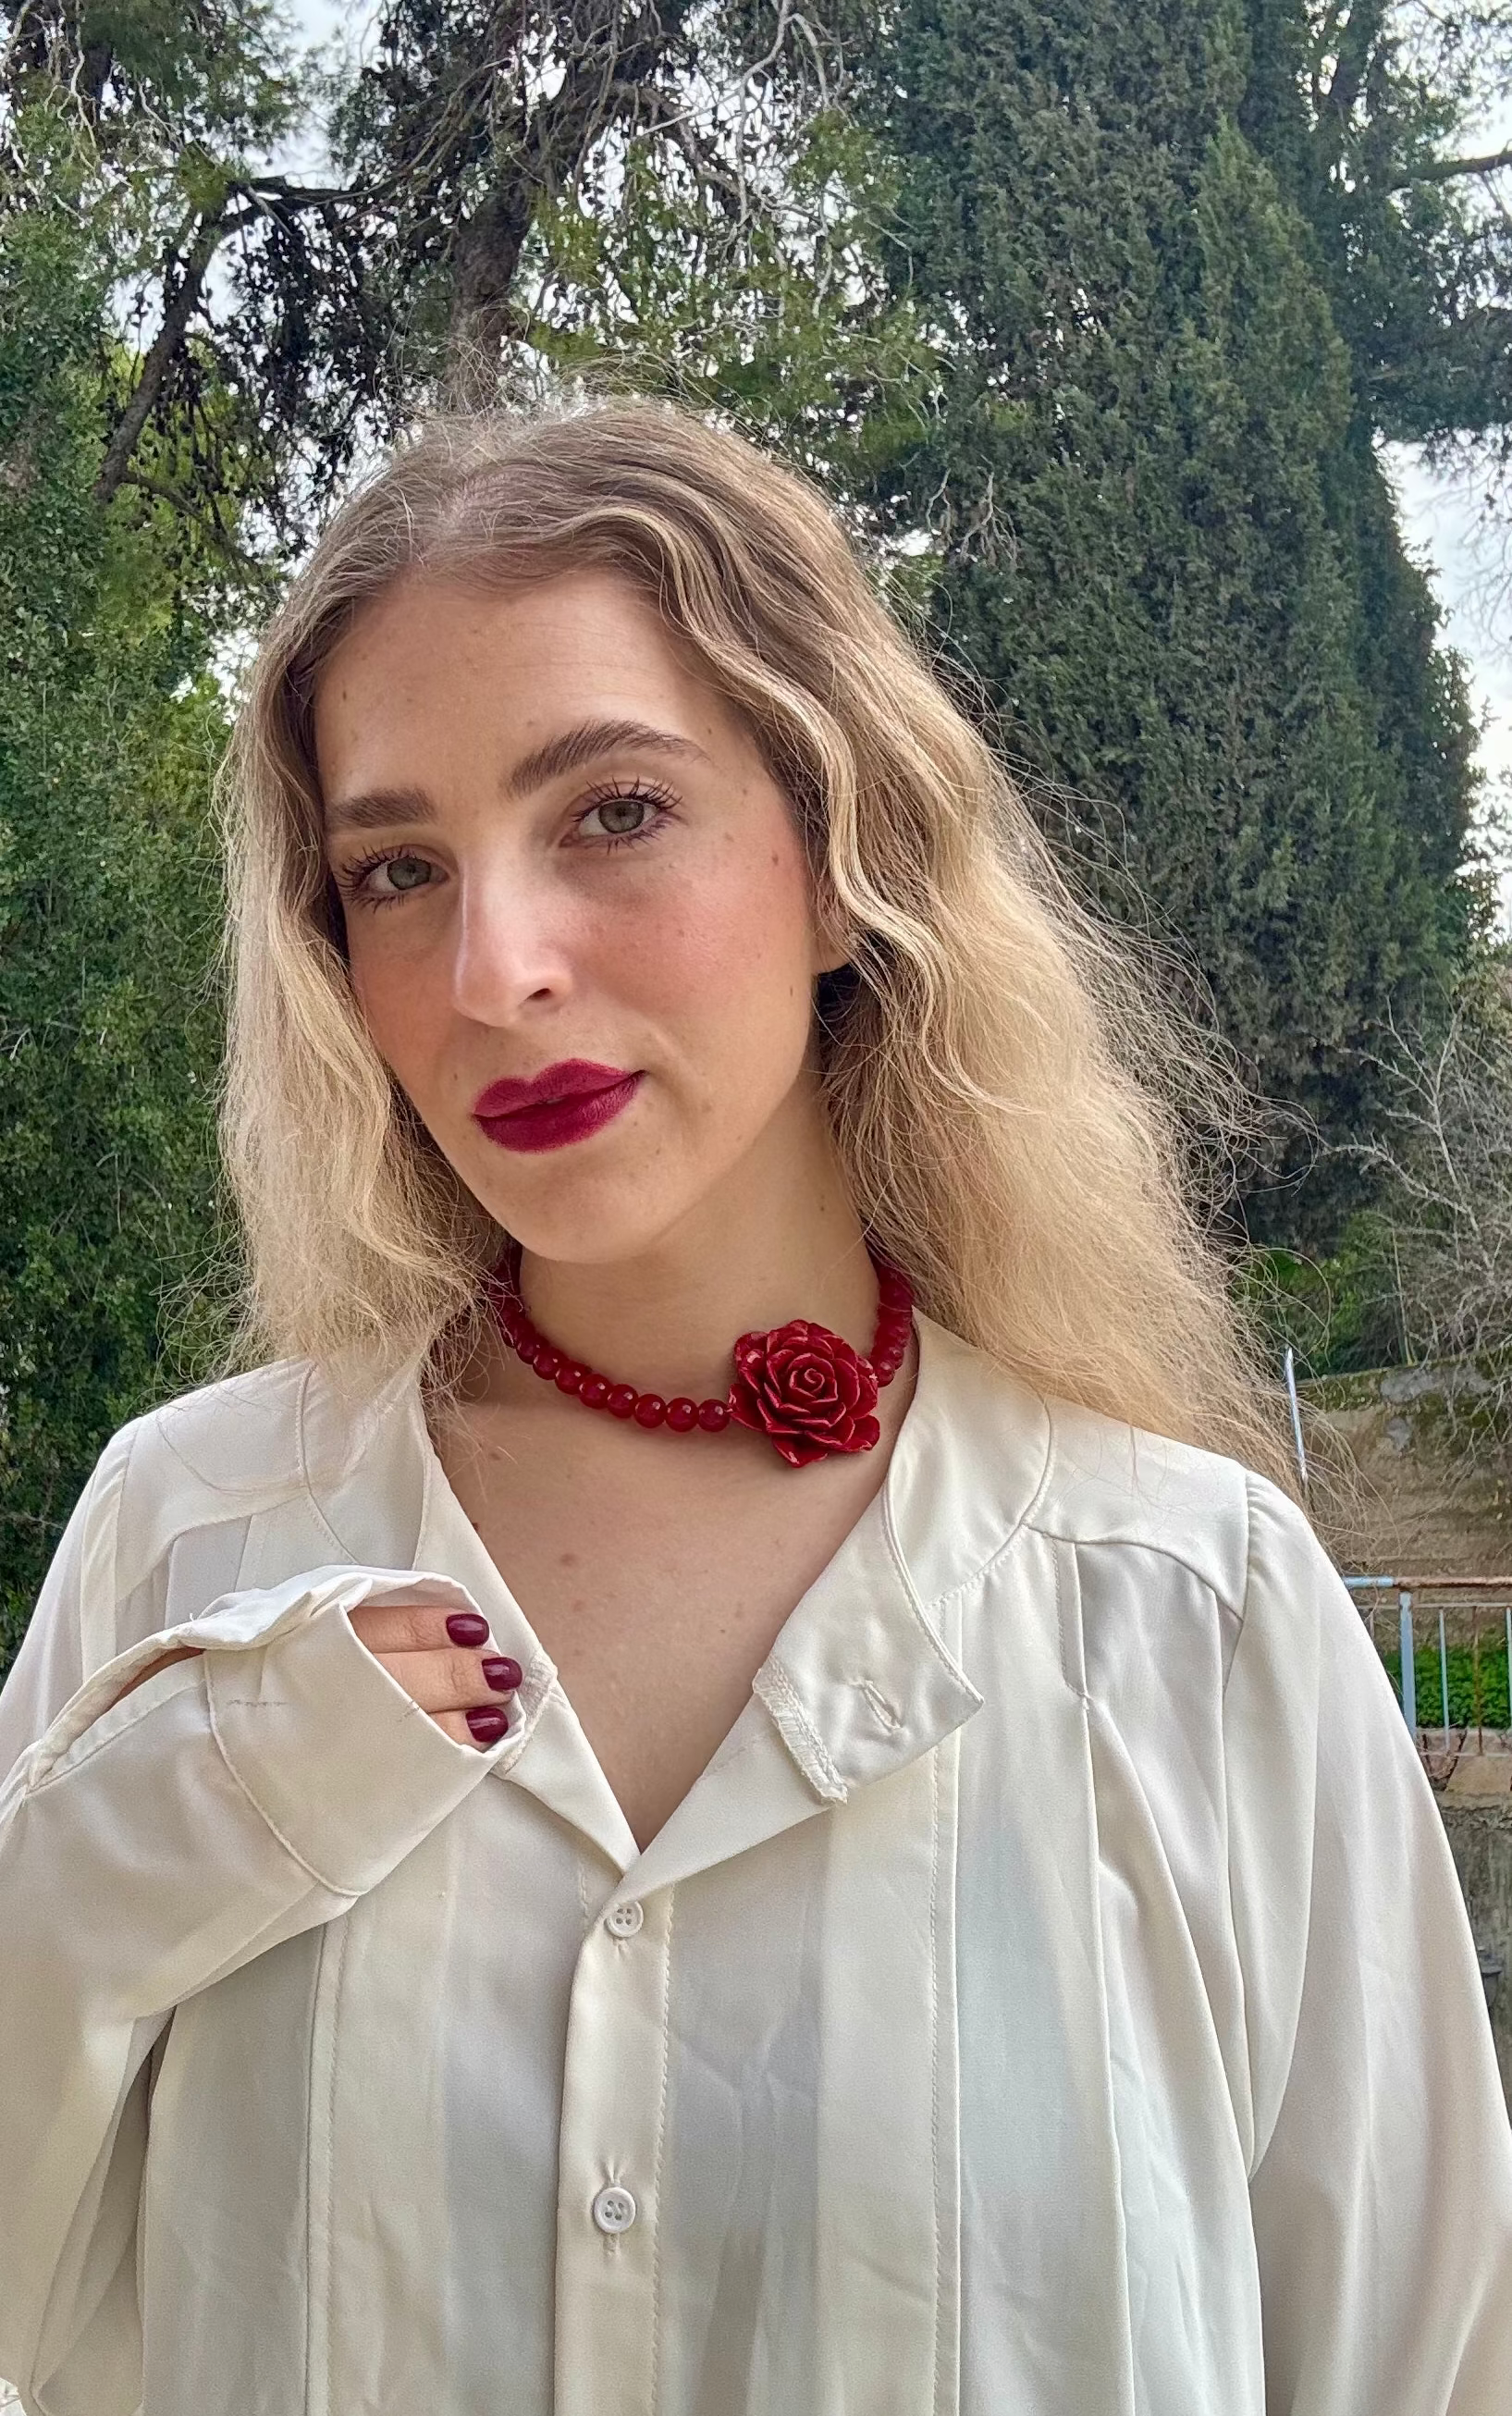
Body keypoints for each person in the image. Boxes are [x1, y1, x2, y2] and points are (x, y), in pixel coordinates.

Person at [0, 400, 1507, 2416]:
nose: (492, 969)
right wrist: (179, 1820)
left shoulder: (1194, 1612)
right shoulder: (194, 1534)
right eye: (396, 869)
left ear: (840, 848)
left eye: (612, 810)